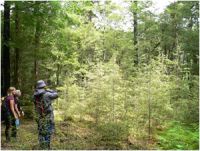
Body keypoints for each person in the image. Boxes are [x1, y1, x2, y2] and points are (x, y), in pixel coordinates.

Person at [33, 80, 58, 149]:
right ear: (44, 86)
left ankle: (42, 145)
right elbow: (56, 94)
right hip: (48, 116)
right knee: (48, 132)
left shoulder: (34, 95)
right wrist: (49, 90)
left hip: (39, 116)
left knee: (41, 131)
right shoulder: (47, 94)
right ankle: (46, 147)